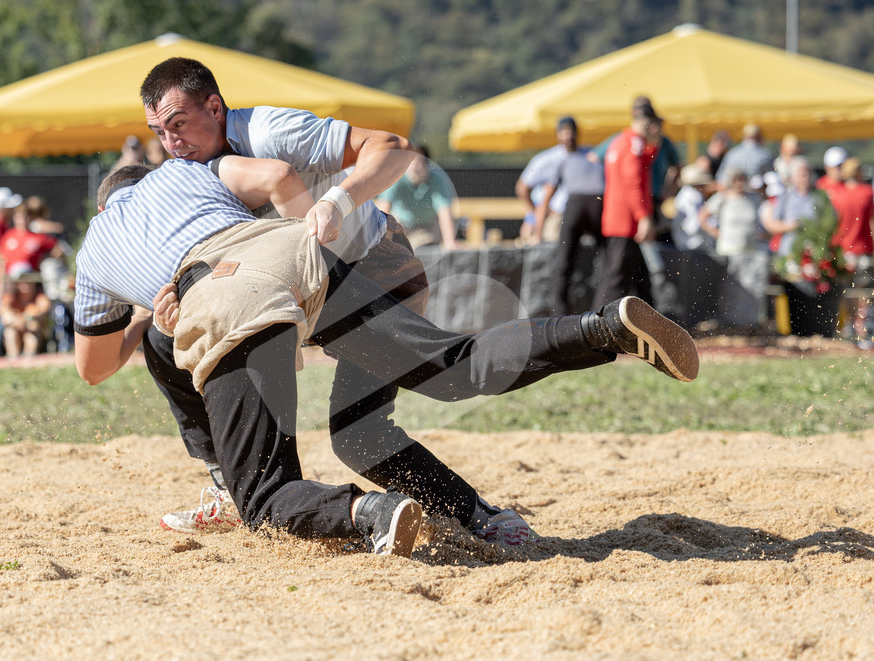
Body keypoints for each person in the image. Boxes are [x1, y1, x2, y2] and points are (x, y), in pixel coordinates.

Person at [74, 160, 699, 559]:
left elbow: (94, 366)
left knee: (264, 495)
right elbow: (274, 181)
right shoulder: (188, 174)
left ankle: (366, 510)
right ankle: (600, 327)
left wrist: (142, 307)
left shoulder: (101, 239)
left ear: (106, 206)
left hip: (226, 293)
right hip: (298, 251)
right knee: (457, 365)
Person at [138, 56, 462, 538]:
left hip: (373, 272)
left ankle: (479, 517)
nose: (171, 144)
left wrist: (338, 200)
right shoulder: (188, 175)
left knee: (359, 436)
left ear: (215, 106)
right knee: (164, 344)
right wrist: (173, 307)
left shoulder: (270, 131)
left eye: (179, 125)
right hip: (294, 293)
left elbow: (394, 149)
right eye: (159, 133)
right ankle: (234, 489)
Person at [594, 99, 663, 307]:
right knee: (618, 278)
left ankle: (649, 322)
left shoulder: (619, 141)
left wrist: (654, 145)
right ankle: (598, 326)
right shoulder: (635, 144)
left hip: (617, 218)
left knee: (638, 278)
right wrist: (643, 216)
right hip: (627, 221)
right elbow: (633, 183)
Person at [537, 116, 606, 314]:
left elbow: (547, 196)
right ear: (558, 135)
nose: (568, 136)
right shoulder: (589, 155)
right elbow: (547, 196)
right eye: (564, 132)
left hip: (589, 204)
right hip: (590, 205)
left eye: (570, 131)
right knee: (567, 262)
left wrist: (536, 232)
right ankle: (567, 313)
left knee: (568, 261)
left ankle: (569, 314)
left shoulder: (581, 156)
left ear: (577, 133)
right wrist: (537, 232)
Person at [374, 145, 460, 249]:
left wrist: (450, 242)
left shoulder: (437, 180)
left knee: (424, 249)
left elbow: (444, 211)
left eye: (418, 162)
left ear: (427, 165)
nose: (414, 166)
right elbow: (384, 208)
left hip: (426, 229)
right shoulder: (397, 177)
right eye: (410, 162)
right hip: (401, 226)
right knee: (391, 224)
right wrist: (380, 241)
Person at [827, 158, 874, 342]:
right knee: (864, 291)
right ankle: (863, 326)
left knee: (847, 291)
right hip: (863, 249)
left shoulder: (838, 195)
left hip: (843, 251)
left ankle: (850, 328)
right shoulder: (867, 193)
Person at [515, 121, 569, 244]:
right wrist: (533, 216)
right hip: (552, 218)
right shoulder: (547, 159)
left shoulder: (582, 156)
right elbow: (522, 188)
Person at [761, 158, 817, 263]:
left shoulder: (819, 197)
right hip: (788, 254)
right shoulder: (785, 198)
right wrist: (790, 226)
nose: (804, 177)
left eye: (807, 172)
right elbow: (771, 224)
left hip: (813, 254)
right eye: (801, 173)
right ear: (793, 177)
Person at [0, 263, 51, 358]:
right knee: (10, 332)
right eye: (20, 280)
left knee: (32, 328)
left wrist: (25, 318)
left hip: (36, 334)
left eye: (27, 279)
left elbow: (43, 309)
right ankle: (13, 360)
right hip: (17, 329)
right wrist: (15, 319)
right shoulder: (11, 297)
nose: (24, 283)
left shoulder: (39, 296)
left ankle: (28, 359)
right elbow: (2, 310)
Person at [671, 163, 717, 252]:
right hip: (691, 246)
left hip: (690, 246)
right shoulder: (691, 197)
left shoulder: (689, 195)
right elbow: (693, 226)